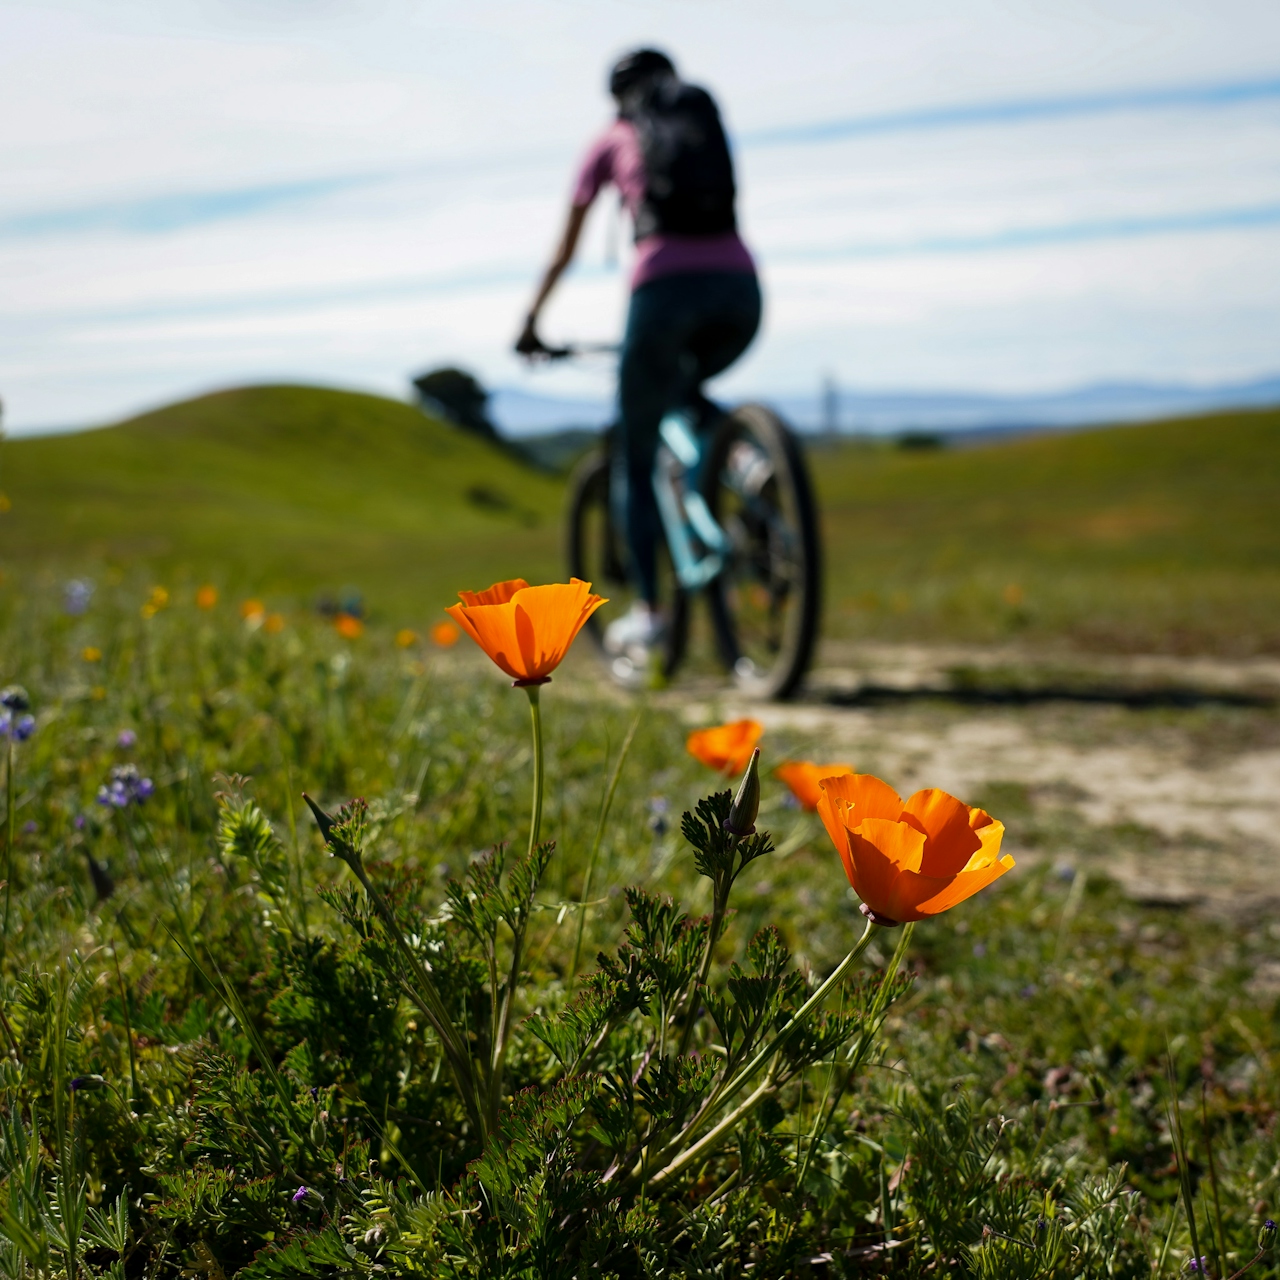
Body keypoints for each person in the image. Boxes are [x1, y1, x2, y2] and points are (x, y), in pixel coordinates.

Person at [516, 48, 761, 669]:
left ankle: (650, 613)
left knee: (635, 452)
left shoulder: (613, 138)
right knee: (686, 387)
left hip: (663, 288)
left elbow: (564, 247)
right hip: (740, 288)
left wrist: (532, 322)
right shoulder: (701, 123)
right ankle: (746, 458)